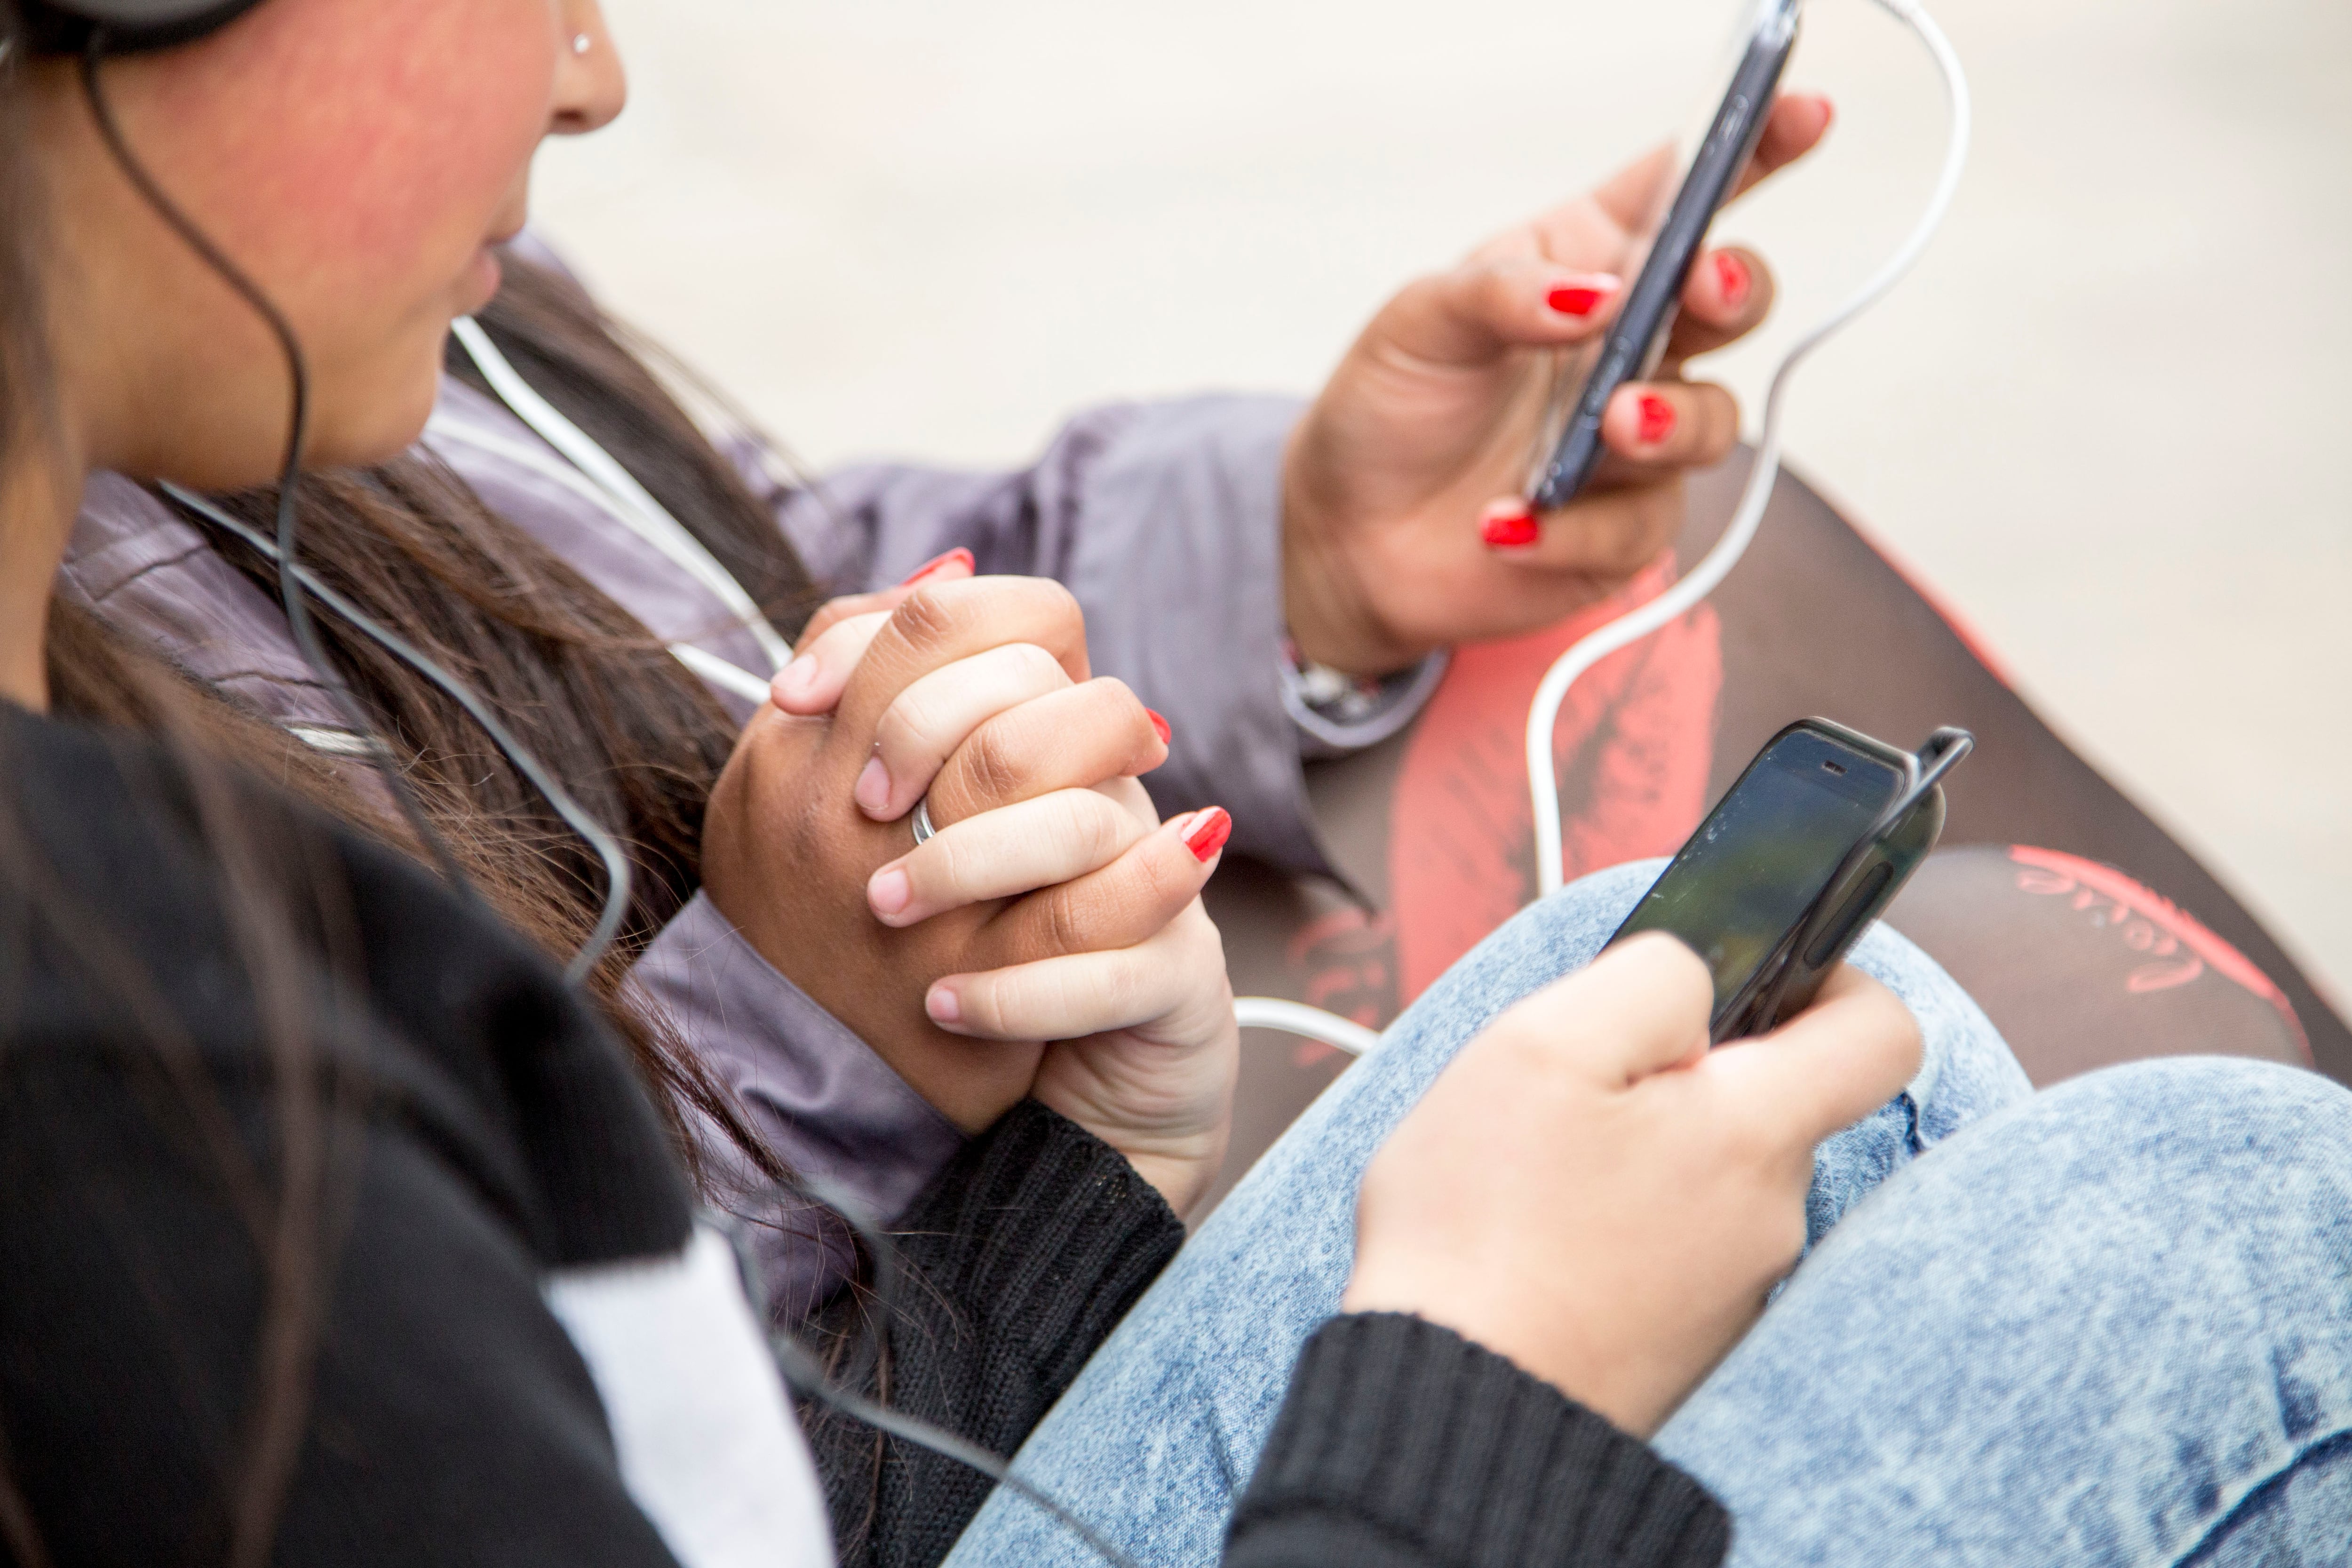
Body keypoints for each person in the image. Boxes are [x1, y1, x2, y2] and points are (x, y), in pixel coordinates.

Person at [7, 6, 2349, 1568]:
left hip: (896, 1351)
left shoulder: (241, 441)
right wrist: (1469, 1392)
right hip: (907, 1380)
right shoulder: (124, 1050)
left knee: (1838, 1042)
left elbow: (679, 590)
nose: (600, 69)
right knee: (2234, 1219)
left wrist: (1291, 563)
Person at [53, 0, 1830, 1311]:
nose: (595, 74)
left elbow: (715, 591)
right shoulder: (76, 875)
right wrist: (812, 1048)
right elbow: (490, 1434)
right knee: (1878, 1071)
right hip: (871, 1388)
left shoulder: (343, 333)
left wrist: (1297, 556)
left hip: (980, 1258)